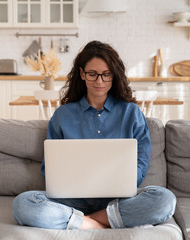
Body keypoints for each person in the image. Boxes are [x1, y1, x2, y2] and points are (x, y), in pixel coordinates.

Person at [12, 40, 176, 230]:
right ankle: (101, 222)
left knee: (165, 199)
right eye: (93, 74)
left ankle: (81, 221)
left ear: (114, 75)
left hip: (119, 200)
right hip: (72, 200)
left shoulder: (131, 113)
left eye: (106, 74)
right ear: (82, 74)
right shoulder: (63, 115)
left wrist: (119, 183)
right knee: (23, 204)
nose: (100, 81)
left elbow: (140, 164)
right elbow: (49, 169)